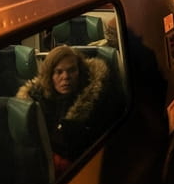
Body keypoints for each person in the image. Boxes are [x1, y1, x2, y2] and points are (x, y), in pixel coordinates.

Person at [17, 45, 123, 176]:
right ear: (49, 76)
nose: (66, 77)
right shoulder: (37, 102)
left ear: (80, 71)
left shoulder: (98, 99)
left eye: (72, 70)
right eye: (59, 72)